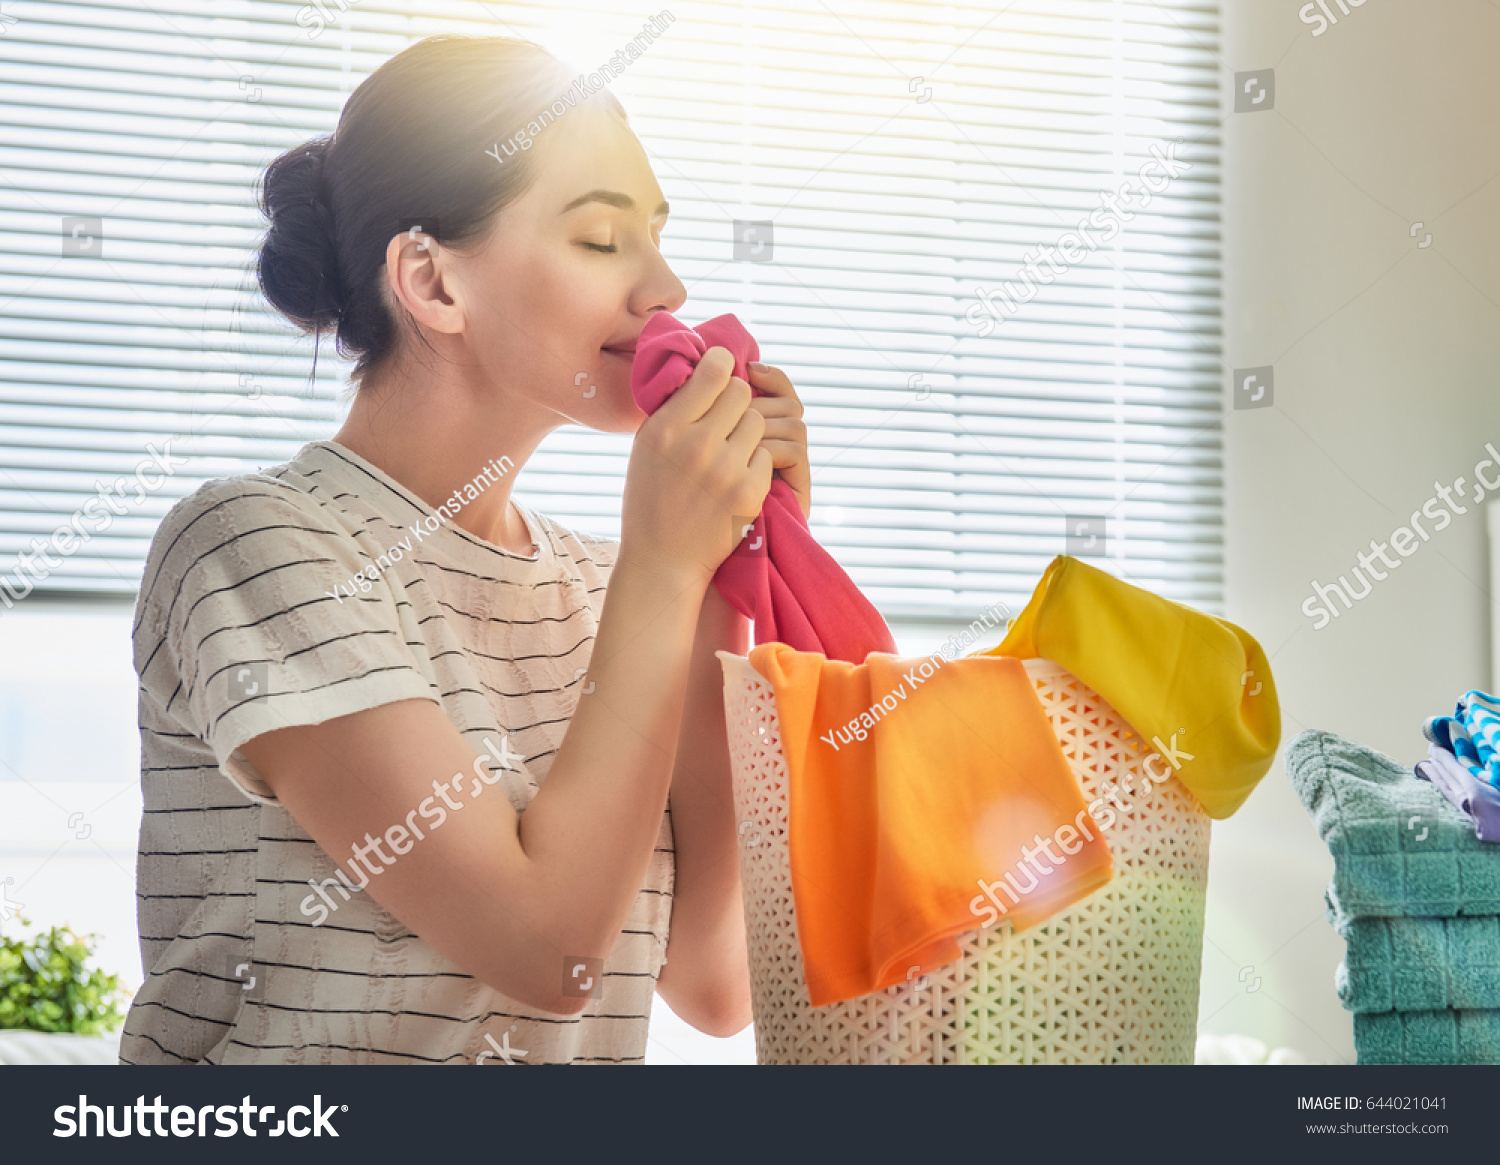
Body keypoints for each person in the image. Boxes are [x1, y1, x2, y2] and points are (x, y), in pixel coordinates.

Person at [120, 33, 812, 1065]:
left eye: (659, 237)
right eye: (599, 239)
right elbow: (547, 950)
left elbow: (715, 983)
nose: (666, 288)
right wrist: (667, 568)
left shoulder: (607, 590)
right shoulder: (253, 547)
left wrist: (729, 568)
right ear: (433, 284)